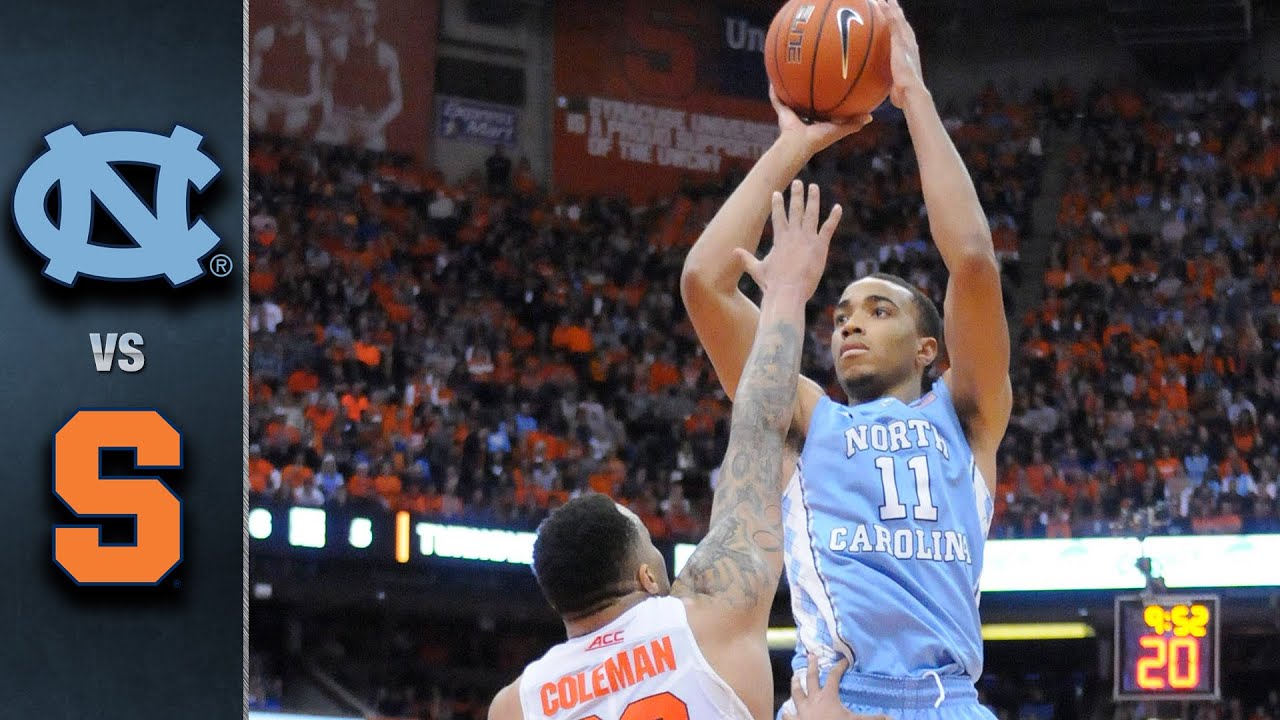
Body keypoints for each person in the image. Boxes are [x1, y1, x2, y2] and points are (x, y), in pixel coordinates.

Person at [680, 0, 1010, 716]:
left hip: (948, 699)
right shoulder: (808, 418)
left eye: (879, 310)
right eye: (840, 316)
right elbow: (705, 284)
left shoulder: (967, 415)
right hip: (834, 697)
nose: (850, 323)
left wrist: (914, 97)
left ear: (928, 348)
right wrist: (792, 147)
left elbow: (974, 262)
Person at [489, 184, 844, 720]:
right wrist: (787, 295)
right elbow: (762, 426)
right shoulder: (708, 618)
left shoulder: (515, 704)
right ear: (647, 579)